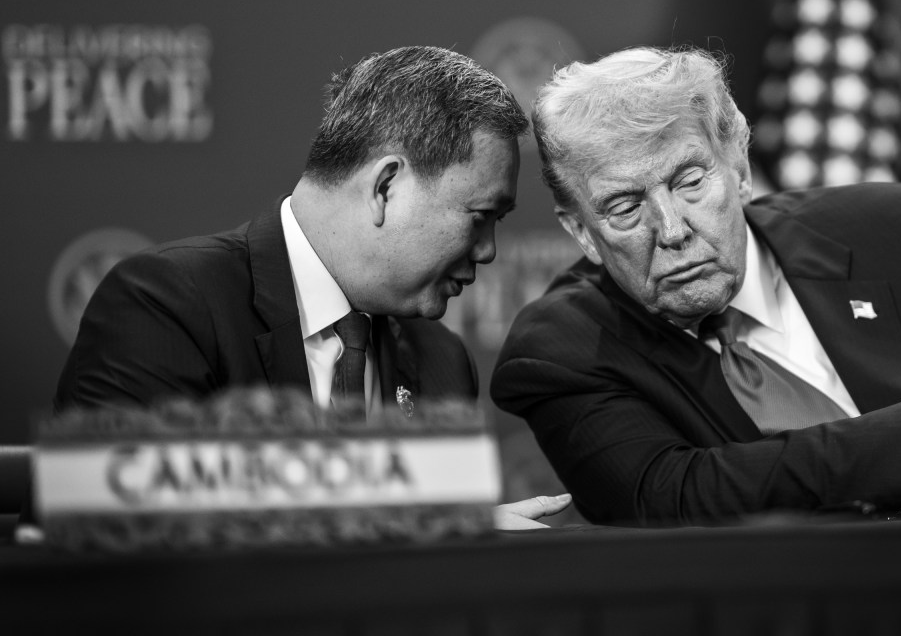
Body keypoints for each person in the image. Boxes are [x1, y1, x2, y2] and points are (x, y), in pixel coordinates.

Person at [490, 46, 901, 527]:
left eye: (690, 182)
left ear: (738, 165)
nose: (673, 231)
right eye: (625, 209)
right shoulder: (562, 347)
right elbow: (670, 496)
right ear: (579, 230)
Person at [55, 45, 571, 529]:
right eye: (481, 217)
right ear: (385, 187)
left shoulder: (441, 363)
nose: (488, 251)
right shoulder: (167, 304)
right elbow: (122, 530)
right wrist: (418, 529)